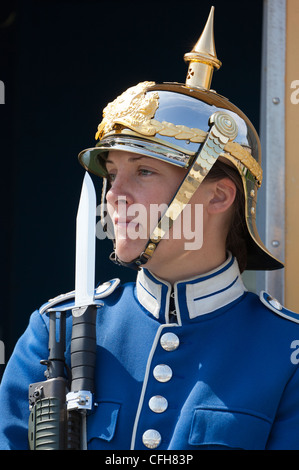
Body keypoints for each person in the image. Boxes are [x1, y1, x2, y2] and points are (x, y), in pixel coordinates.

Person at [1, 7, 299, 451]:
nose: (113, 194)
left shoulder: (287, 352)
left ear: (218, 196)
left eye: (142, 171)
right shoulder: (52, 332)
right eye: (112, 172)